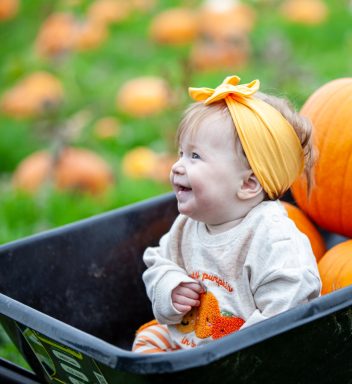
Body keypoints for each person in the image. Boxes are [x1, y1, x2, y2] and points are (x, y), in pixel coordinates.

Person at [132, 75, 321, 353]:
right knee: (147, 340)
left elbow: (287, 309)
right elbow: (159, 261)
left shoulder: (275, 240)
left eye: (195, 157)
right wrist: (170, 287)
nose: (177, 167)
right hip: (188, 340)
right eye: (181, 153)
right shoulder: (188, 224)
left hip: (241, 358)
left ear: (247, 184)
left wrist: (232, 356)